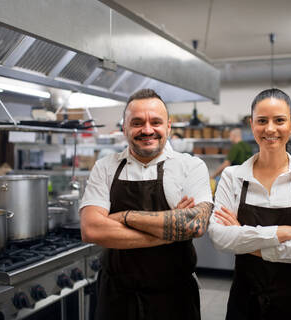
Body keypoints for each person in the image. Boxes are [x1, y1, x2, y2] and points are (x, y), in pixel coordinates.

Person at [80, 88, 213, 320]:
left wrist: (124, 217)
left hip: (173, 298)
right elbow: (91, 229)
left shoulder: (190, 166)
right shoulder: (105, 166)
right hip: (116, 298)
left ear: (168, 127)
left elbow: (195, 225)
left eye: (156, 122)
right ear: (125, 128)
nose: (147, 130)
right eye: (137, 122)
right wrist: (171, 230)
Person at [208, 88, 291, 320]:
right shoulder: (232, 176)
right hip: (245, 300)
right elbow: (220, 237)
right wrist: (285, 232)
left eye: (279, 120)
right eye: (262, 121)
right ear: (251, 124)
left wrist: (245, 241)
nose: (270, 129)